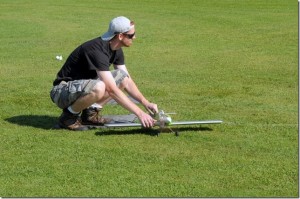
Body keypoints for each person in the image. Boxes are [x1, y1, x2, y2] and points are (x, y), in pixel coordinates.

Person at [50, 16, 158, 131]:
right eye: (131, 35)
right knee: (100, 87)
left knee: (123, 78)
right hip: (61, 91)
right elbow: (112, 90)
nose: (134, 37)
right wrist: (140, 114)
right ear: (120, 36)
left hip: (79, 89)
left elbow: (128, 82)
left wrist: (146, 103)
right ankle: (68, 117)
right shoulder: (97, 50)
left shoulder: (116, 49)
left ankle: (90, 115)